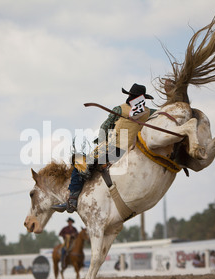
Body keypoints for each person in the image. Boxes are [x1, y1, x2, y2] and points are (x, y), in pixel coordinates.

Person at [52, 83, 156, 213]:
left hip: (113, 149)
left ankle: (72, 200)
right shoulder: (148, 113)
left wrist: (100, 145)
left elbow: (104, 127)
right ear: (143, 99)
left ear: (130, 96)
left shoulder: (119, 109)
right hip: (131, 151)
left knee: (79, 163)